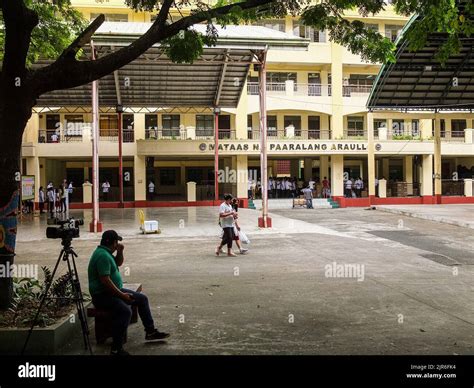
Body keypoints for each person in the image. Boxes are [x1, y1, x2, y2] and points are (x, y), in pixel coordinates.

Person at [88, 230, 170, 356]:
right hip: (102, 295)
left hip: (113, 291)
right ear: (113, 242)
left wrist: (120, 251)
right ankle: (116, 349)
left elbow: (118, 263)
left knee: (142, 299)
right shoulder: (102, 256)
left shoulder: (106, 252)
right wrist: (122, 296)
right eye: (117, 242)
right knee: (125, 311)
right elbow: (105, 281)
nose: (117, 244)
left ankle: (150, 331)